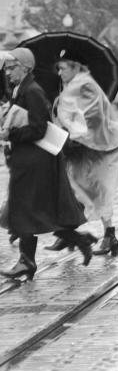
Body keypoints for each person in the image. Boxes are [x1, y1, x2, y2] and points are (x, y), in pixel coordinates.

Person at [0, 48, 93, 280]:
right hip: (26, 160)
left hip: (35, 161)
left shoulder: (32, 91)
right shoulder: (19, 90)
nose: (8, 73)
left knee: (28, 211)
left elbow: (39, 128)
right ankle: (78, 240)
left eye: (12, 68)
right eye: (7, 68)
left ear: (25, 67)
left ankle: (27, 261)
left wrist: (10, 133)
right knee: (33, 211)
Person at [52, 51, 118, 257]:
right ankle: (69, 233)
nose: (59, 73)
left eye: (63, 68)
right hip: (82, 148)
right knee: (73, 187)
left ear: (76, 67)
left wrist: (74, 132)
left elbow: (94, 115)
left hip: (96, 149)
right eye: (58, 68)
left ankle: (109, 235)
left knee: (98, 190)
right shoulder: (73, 85)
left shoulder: (84, 85)